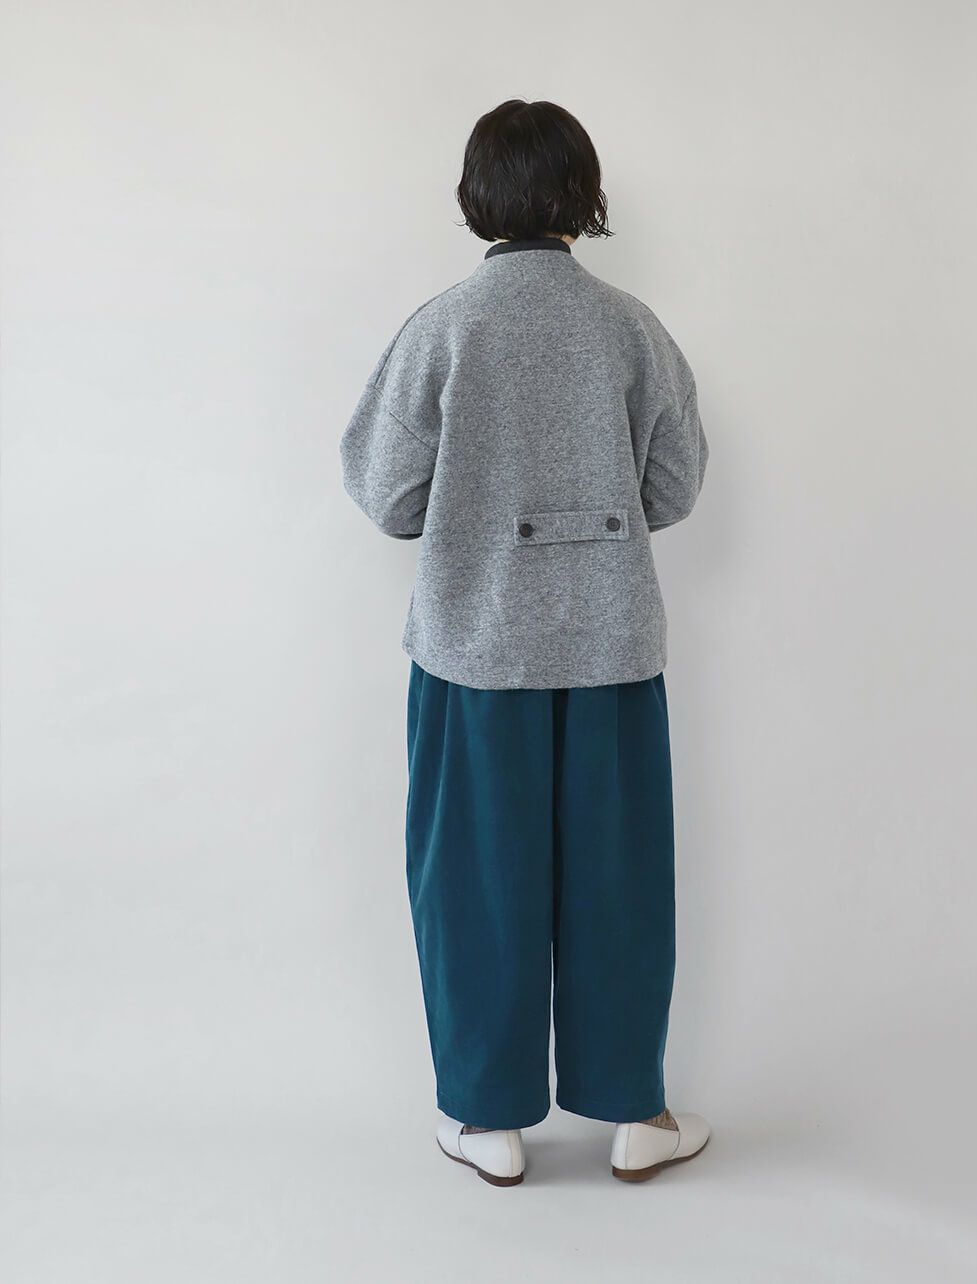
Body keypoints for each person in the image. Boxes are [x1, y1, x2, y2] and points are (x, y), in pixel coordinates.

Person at [340, 99, 710, 1187]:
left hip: (475, 653)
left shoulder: (442, 328)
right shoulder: (631, 327)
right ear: (583, 197)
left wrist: (470, 506)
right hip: (609, 650)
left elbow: (385, 494)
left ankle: (485, 1117)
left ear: (476, 197)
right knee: (618, 884)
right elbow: (675, 487)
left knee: (474, 883)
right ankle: (635, 1113)